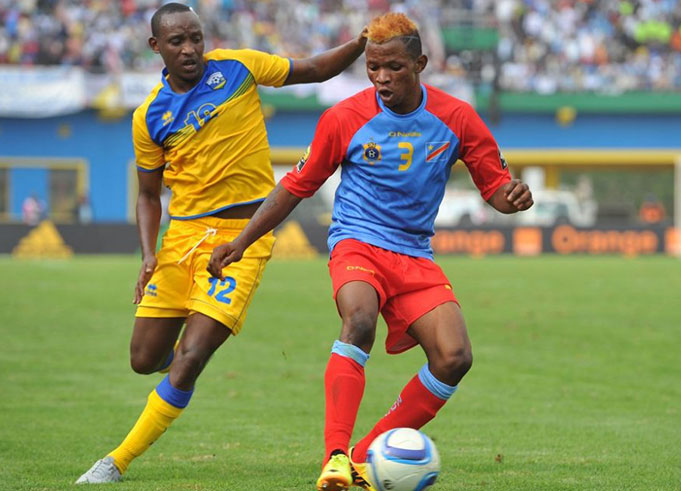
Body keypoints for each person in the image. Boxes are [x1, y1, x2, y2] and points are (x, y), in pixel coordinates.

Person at [208, 12, 533, 491]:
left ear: (420, 64)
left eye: (394, 67)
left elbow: (496, 189)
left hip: (414, 254)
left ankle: (362, 458)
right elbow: (296, 185)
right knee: (359, 319)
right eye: (373, 67)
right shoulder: (344, 118)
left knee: (454, 357)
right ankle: (335, 457)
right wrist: (241, 241)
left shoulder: (457, 117)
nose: (381, 78)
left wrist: (513, 197)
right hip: (357, 242)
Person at [75, 2, 368, 485]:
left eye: (196, 37)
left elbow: (314, 69)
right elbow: (148, 196)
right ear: (156, 47)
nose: (190, 49)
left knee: (190, 358)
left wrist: (359, 43)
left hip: (241, 239)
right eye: (177, 41)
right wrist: (148, 254)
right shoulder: (149, 116)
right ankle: (180, 365)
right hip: (182, 239)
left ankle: (116, 461)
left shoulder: (238, 68)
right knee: (144, 360)